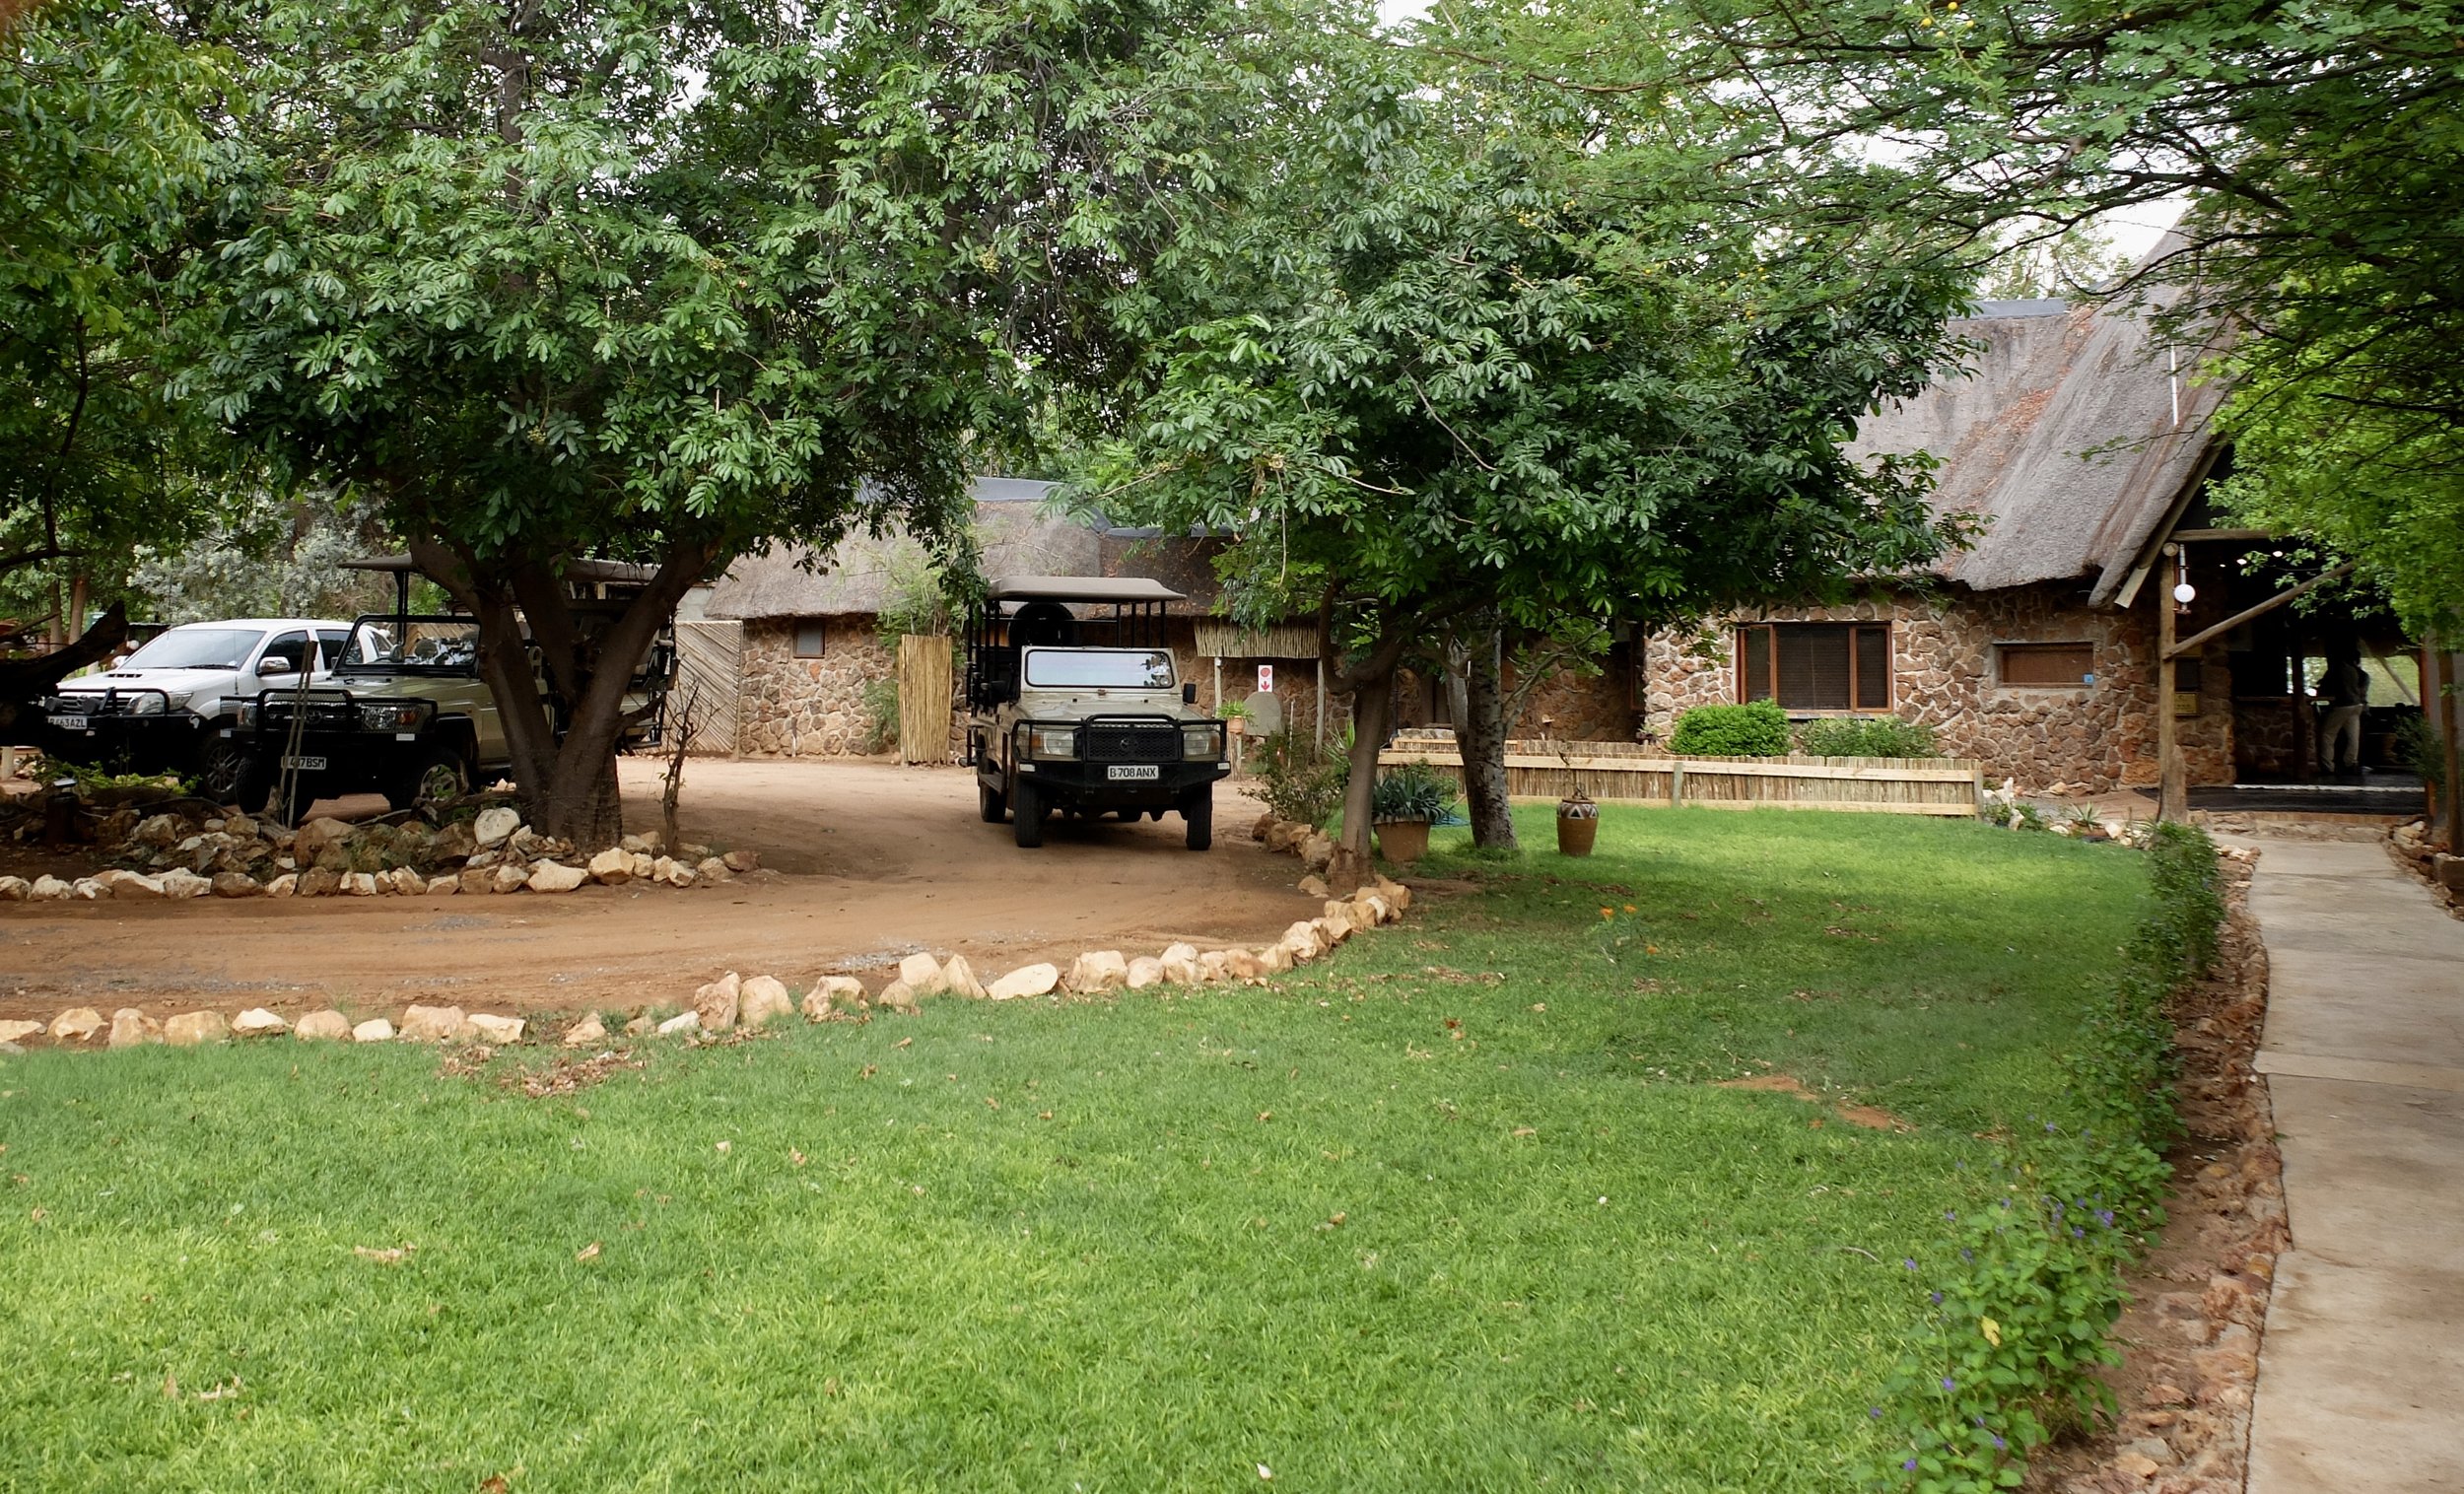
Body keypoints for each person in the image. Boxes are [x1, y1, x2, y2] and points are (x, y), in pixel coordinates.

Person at [2318, 645, 2368, 772]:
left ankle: (2328, 765)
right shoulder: (2358, 672)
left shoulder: (2337, 669)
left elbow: (2325, 687)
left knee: (2327, 734)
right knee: (2353, 736)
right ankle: (2351, 762)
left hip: (2342, 704)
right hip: (2357, 705)